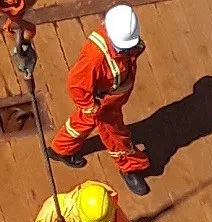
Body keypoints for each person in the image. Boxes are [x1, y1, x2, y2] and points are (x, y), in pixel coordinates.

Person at [48, 5, 150, 196]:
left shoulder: (123, 42)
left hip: (111, 98)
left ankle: (60, 148)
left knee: (84, 121)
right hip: (105, 103)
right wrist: (90, 106)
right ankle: (129, 166)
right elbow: (76, 85)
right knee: (116, 136)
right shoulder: (95, 58)